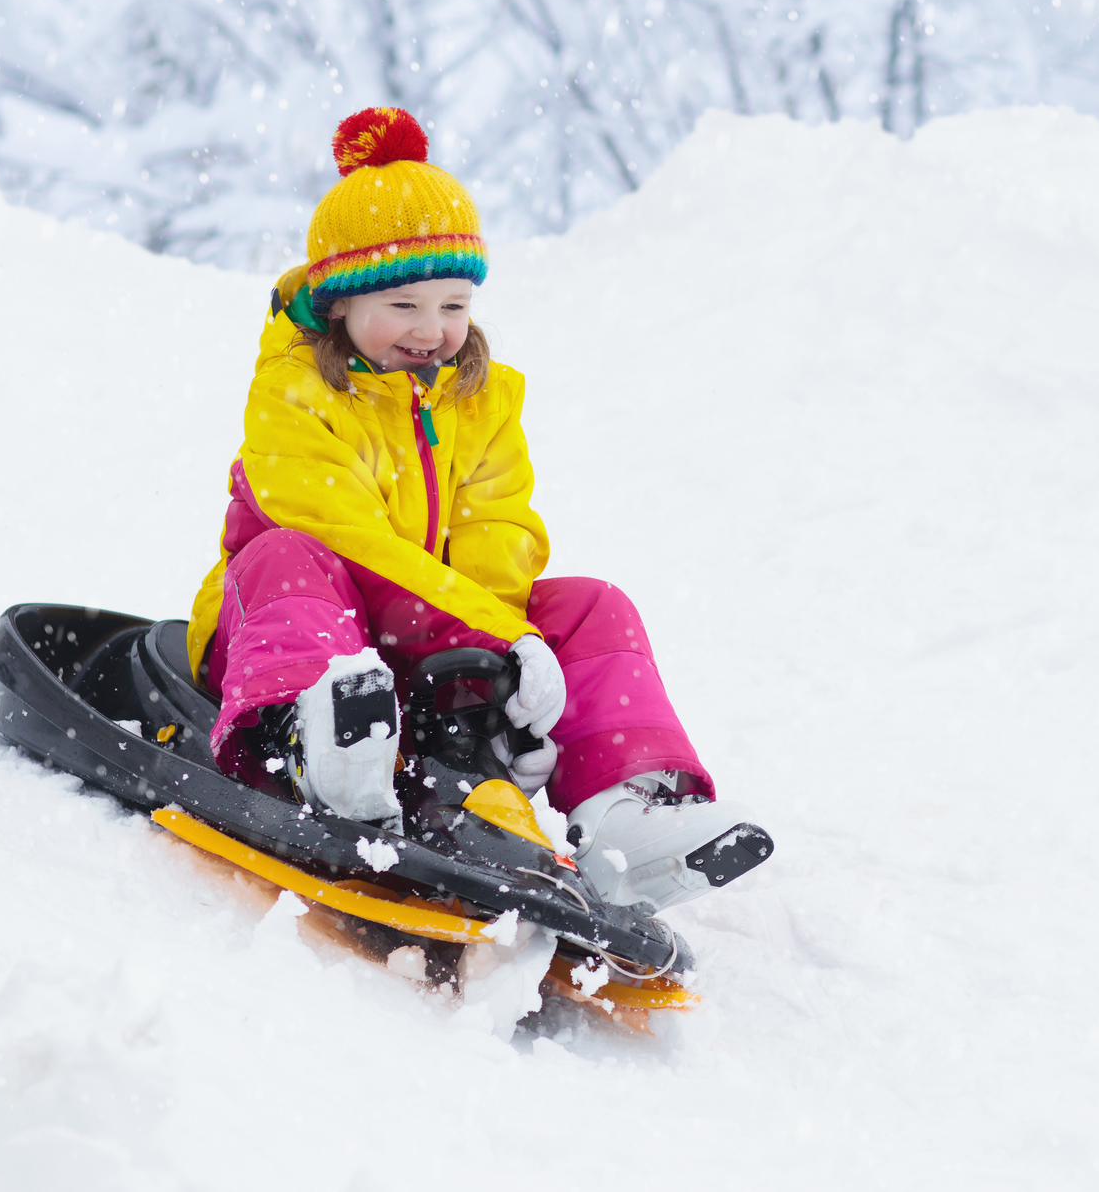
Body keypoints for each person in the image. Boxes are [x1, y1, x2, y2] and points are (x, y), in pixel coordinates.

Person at [185, 106, 766, 912]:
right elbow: (340, 533)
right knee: (289, 557)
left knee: (591, 604)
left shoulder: (481, 397)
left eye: (455, 304)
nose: (433, 331)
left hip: (432, 651)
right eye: (404, 304)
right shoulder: (296, 392)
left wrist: (504, 684)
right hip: (285, 639)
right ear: (340, 304)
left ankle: (625, 809)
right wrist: (499, 638)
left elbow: (501, 531)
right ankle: (319, 742)